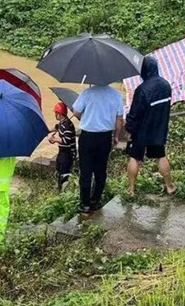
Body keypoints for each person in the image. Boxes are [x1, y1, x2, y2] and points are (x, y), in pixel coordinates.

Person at [124, 55, 176, 197]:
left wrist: (129, 130)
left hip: (142, 131)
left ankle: (131, 190)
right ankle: (169, 186)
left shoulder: (142, 90)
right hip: (159, 129)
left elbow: (135, 114)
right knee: (161, 156)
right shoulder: (166, 85)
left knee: (135, 158)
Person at [72, 83, 125, 215]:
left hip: (87, 136)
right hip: (105, 137)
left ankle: (84, 204)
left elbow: (76, 112)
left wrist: (85, 117)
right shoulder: (116, 95)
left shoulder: (87, 93)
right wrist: (117, 136)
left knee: (86, 171)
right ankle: (95, 201)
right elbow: (119, 119)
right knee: (101, 171)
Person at [47, 102, 77, 191]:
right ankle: (59, 188)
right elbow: (56, 128)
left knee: (64, 173)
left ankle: (63, 190)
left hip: (68, 153)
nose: (55, 115)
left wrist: (54, 139)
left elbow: (66, 140)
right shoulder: (62, 123)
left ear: (59, 114)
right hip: (62, 151)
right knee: (59, 169)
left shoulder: (67, 125)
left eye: (56, 113)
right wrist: (47, 131)